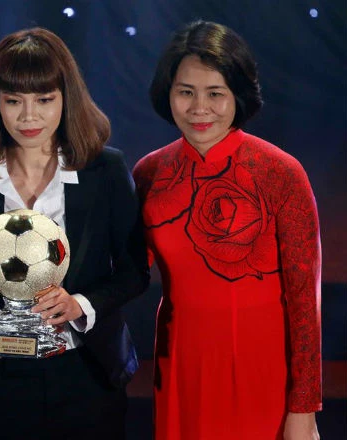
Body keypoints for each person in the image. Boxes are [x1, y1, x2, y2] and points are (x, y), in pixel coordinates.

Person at [0, 27, 150, 440]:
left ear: (66, 98)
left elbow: (133, 271)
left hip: (86, 373)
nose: (28, 116)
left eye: (44, 100)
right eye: (13, 100)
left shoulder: (104, 170)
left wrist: (80, 304)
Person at [133, 20, 322, 440]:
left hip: (263, 369)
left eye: (215, 93)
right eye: (186, 92)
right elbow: (127, 272)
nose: (199, 108)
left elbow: (305, 302)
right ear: (168, 94)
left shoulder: (281, 172)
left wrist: (304, 407)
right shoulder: (149, 173)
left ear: (238, 94)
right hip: (180, 365)